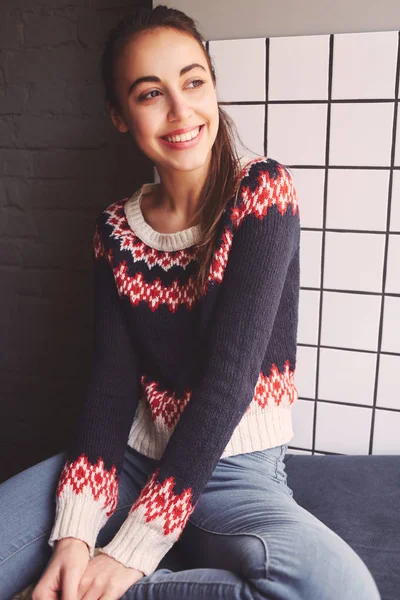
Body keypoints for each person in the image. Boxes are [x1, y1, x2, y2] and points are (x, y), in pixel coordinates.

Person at [0, 5, 381, 600]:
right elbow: (109, 384)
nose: (181, 111)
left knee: (342, 590)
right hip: (128, 461)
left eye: (193, 81)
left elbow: (229, 383)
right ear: (119, 115)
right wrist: (76, 535)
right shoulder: (114, 232)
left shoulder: (262, 193)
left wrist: (129, 555)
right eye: (150, 93)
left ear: (213, 85)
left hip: (234, 467)